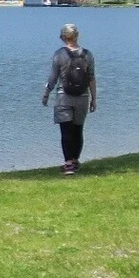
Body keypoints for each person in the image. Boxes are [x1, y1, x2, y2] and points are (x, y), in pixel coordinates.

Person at [43, 23, 97, 175]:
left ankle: (68, 164)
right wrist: (94, 98)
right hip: (83, 97)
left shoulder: (59, 54)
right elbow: (92, 78)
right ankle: (74, 161)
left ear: (62, 37)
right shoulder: (88, 54)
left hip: (64, 97)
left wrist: (46, 93)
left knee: (66, 131)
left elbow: (53, 78)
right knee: (78, 130)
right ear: (77, 36)